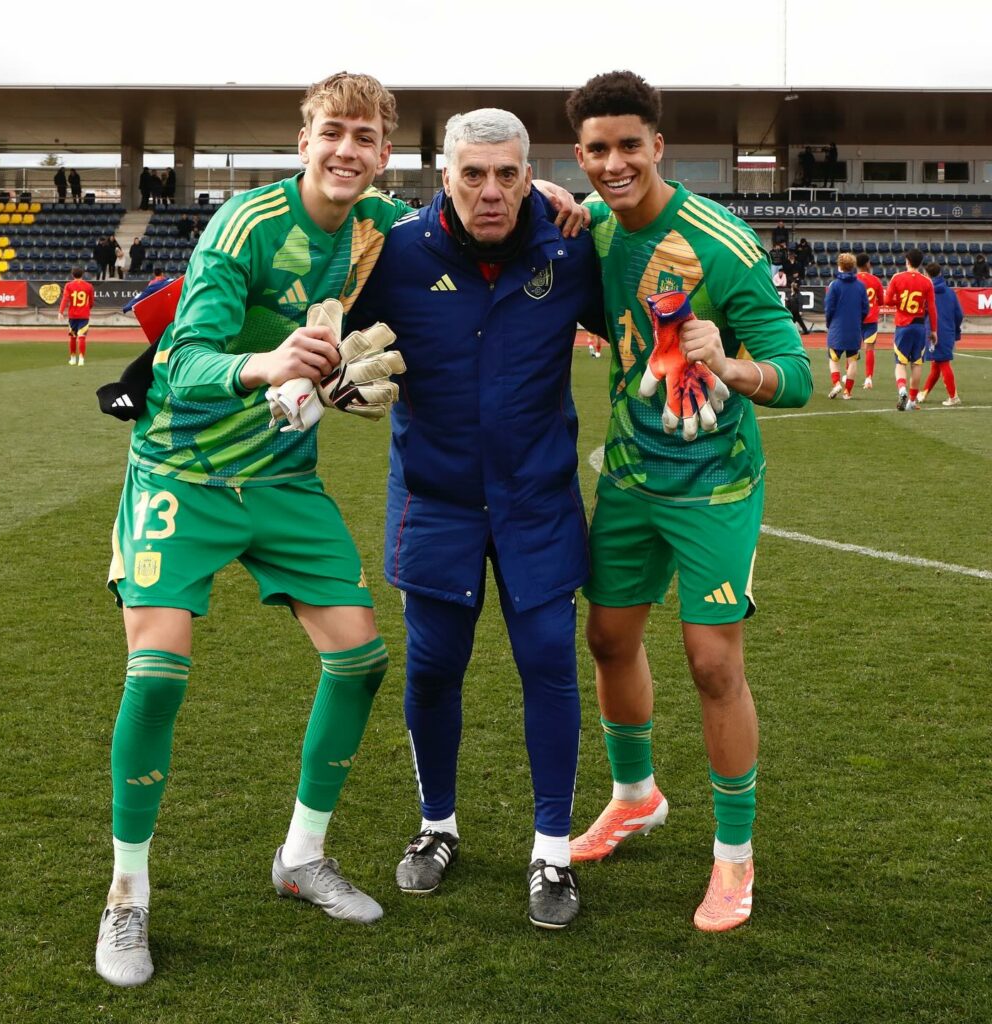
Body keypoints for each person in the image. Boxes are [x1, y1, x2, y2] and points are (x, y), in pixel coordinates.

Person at [94, 71, 413, 990]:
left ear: (384, 153)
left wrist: (562, 201)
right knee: (156, 675)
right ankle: (126, 894)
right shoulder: (244, 225)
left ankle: (301, 857)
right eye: (333, 132)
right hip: (182, 472)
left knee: (360, 659)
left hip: (279, 474)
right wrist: (267, 363)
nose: (347, 149)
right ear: (303, 140)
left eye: (364, 136)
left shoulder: (380, 225)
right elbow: (182, 360)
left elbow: (462, 232)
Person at [565, 70, 812, 933]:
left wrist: (732, 362)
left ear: (658, 146)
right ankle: (635, 797)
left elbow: (799, 375)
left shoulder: (724, 243)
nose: (614, 163)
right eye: (597, 149)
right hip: (631, 474)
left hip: (716, 484)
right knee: (607, 637)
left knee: (713, 661)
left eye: (629, 145)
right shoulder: (590, 227)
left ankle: (734, 860)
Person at [348, 108, 604, 931]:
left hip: (538, 502)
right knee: (432, 669)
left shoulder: (570, 247)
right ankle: (437, 827)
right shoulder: (392, 254)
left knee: (547, 665)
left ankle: (553, 849)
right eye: (472, 174)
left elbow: (641, 303)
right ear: (445, 175)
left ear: (530, 174)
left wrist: (591, 208)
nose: (490, 192)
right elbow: (317, 310)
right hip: (437, 503)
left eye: (507, 174)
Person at [886, 248, 937, 410]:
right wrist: (934, 330)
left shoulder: (897, 278)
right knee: (917, 364)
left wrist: (899, 303)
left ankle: (902, 389)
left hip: (903, 325)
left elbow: (887, 300)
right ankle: (912, 401)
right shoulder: (927, 281)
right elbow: (932, 308)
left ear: (907, 261)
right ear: (920, 263)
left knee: (900, 363)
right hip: (919, 326)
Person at [917, 262, 963, 406]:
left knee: (942, 363)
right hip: (948, 331)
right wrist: (956, 330)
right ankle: (924, 393)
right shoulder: (950, 292)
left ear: (928, 275)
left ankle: (953, 396)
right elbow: (959, 314)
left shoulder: (926, 292)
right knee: (937, 364)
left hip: (933, 332)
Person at [824, 252, 869, 399]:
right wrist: (858, 321)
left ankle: (836, 383)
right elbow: (865, 309)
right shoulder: (860, 286)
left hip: (837, 327)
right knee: (852, 360)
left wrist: (829, 323)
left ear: (839, 266)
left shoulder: (835, 285)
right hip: (854, 328)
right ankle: (847, 392)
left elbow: (829, 307)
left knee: (833, 359)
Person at [855, 253, 884, 389]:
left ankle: (849, 376)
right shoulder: (876, 280)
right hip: (871, 318)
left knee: (852, 348)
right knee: (870, 349)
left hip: (855, 318)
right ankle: (868, 378)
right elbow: (882, 301)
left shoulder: (853, 279)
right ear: (867, 264)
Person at [58, 264, 95, 365]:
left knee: (73, 337)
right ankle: (81, 359)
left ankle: (73, 359)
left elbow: (65, 299)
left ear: (72, 274)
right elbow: (91, 302)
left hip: (73, 315)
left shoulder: (68, 285)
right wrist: (87, 308)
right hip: (84, 315)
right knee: (82, 337)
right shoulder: (89, 286)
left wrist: (60, 312)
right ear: (83, 274)